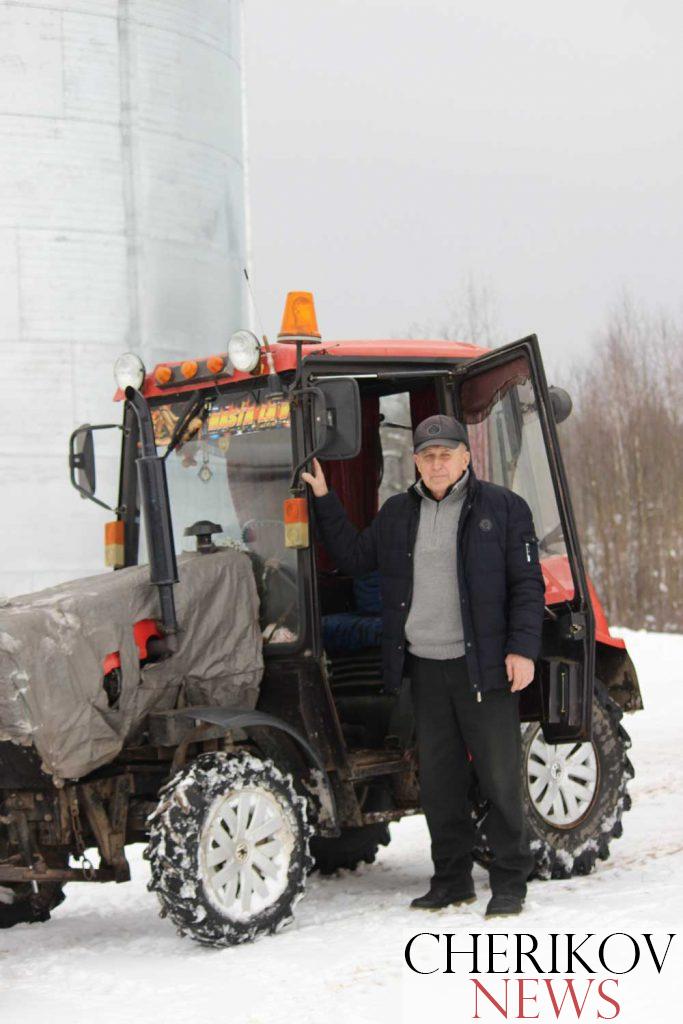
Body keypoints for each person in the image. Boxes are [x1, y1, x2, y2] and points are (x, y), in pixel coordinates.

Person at [302, 414, 545, 918]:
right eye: (428, 456)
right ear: (415, 461)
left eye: (446, 454)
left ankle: (509, 881)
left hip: (484, 669)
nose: (437, 464)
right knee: (440, 783)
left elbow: (527, 587)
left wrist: (522, 649)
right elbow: (351, 556)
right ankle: (452, 879)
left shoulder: (503, 509)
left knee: (500, 780)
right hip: (426, 670)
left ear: (465, 457)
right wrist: (325, 499)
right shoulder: (397, 514)